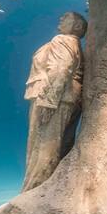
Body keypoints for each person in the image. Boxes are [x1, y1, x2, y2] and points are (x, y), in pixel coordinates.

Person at [22, 12, 87, 192]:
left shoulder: (63, 40)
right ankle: (57, 191)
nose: (60, 19)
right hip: (68, 99)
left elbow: (60, 69)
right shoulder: (75, 45)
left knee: (42, 149)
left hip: (55, 98)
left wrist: (48, 102)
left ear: (77, 27)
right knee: (59, 148)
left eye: (66, 17)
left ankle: (33, 194)